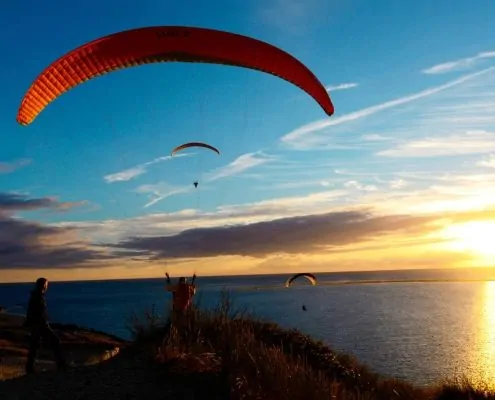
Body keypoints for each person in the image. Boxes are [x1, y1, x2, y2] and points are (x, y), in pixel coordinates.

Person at [24, 277, 66, 374]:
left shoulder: (37, 296)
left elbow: (34, 311)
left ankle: (29, 368)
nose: (46, 287)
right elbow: (35, 312)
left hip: (38, 324)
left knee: (35, 346)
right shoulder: (37, 297)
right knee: (54, 340)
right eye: (46, 285)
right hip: (40, 325)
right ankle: (61, 365)